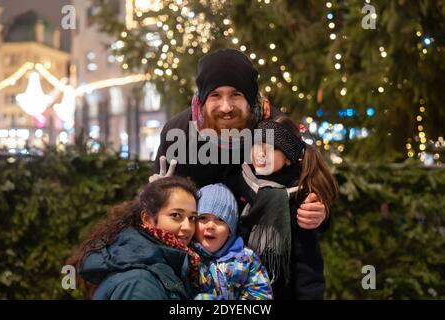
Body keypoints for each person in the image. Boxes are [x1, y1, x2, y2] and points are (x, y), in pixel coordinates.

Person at [152, 48, 328, 231]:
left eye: (236, 95)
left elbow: (306, 187)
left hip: (259, 242)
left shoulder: (275, 127)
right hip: (199, 239)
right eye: (215, 95)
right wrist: (159, 197)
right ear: (204, 100)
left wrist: (317, 215)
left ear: (250, 100)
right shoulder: (178, 131)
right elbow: (160, 202)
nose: (226, 107)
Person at [238, 115, 339, 299]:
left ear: (288, 158)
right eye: (258, 143)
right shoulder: (238, 181)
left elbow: (307, 266)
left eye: (272, 148)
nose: (261, 152)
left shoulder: (299, 199)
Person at [67, 177, 201, 300]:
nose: (187, 227)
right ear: (147, 219)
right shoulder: (140, 282)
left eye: (192, 218)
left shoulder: (163, 263)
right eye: (176, 215)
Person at [193, 183, 273, 300]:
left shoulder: (246, 258)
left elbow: (262, 296)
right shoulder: (187, 255)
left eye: (220, 220)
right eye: (203, 218)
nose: (210, 225)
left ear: (230, 230)